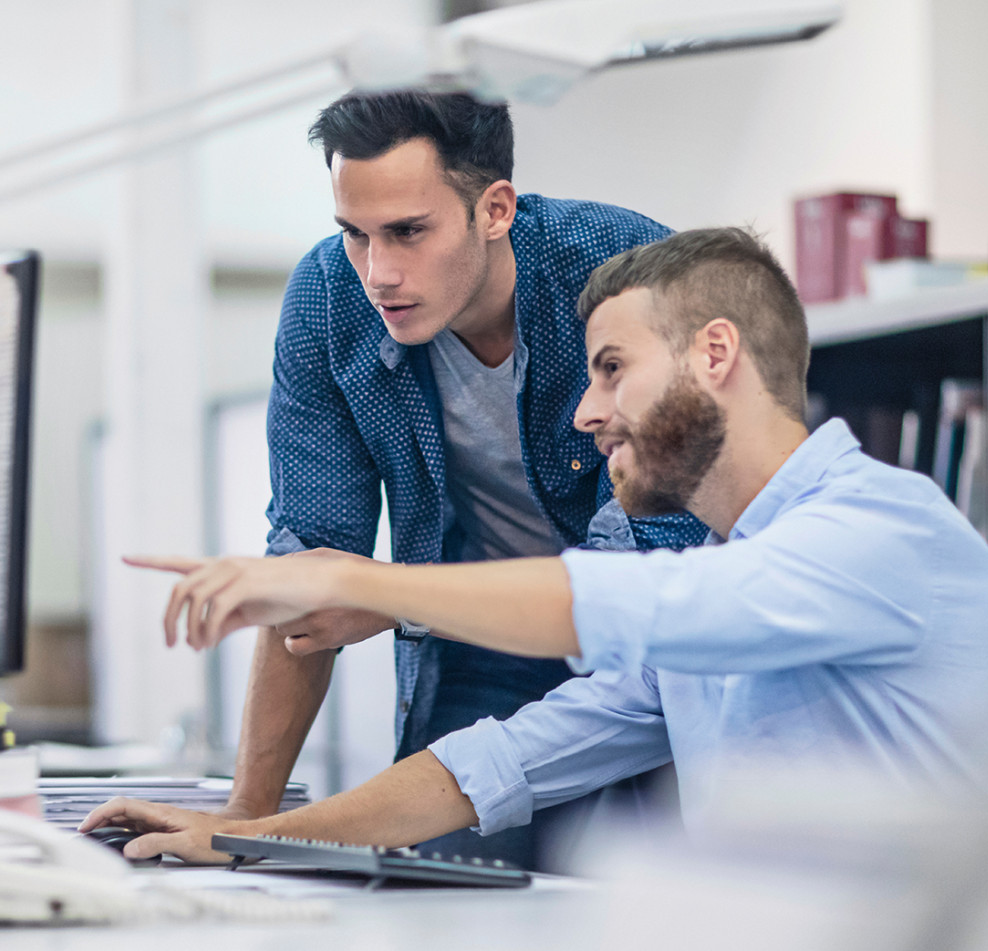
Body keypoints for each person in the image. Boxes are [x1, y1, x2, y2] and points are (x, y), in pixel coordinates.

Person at [86, 227, 988, 863]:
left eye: (612, 369)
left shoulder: (884, 530)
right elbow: (503, 761)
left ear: (716, 355)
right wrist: (255, 837)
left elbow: (628, 603)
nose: (586, 411)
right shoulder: (726, 577)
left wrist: (357, 578)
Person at [228, 89, 706, 869]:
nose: (378, 273)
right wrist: (244, 822)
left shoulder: (625, 276)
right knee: (442, 882)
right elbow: (310, 568)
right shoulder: (327, 298)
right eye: (355, 234)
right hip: (471, 639)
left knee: (646, 887)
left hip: (649, 646)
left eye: (409, 232)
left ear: (495, 209)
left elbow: (642, 586)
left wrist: (388, 597)